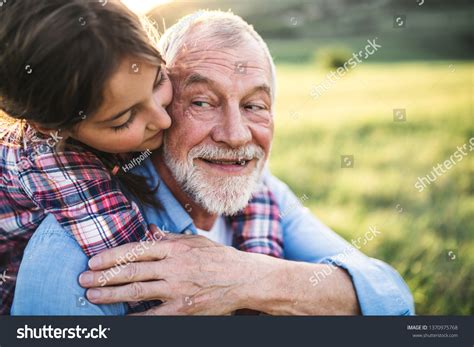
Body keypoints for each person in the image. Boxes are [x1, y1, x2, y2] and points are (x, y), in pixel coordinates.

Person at [11, 10, 414, 316]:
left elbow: (392, 297)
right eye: (202, 102)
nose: (236, 135)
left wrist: (249, 278)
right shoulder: (71, 254)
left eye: (255, 105)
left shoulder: (265, 193)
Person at [0, 2, 279, 315]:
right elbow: (154, 279)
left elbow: (261, 197)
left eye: (159, 82)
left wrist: (261, 271)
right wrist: (245, 292)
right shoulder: (52, 165)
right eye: (124, 118)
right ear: (55, 127)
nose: (161, 119)